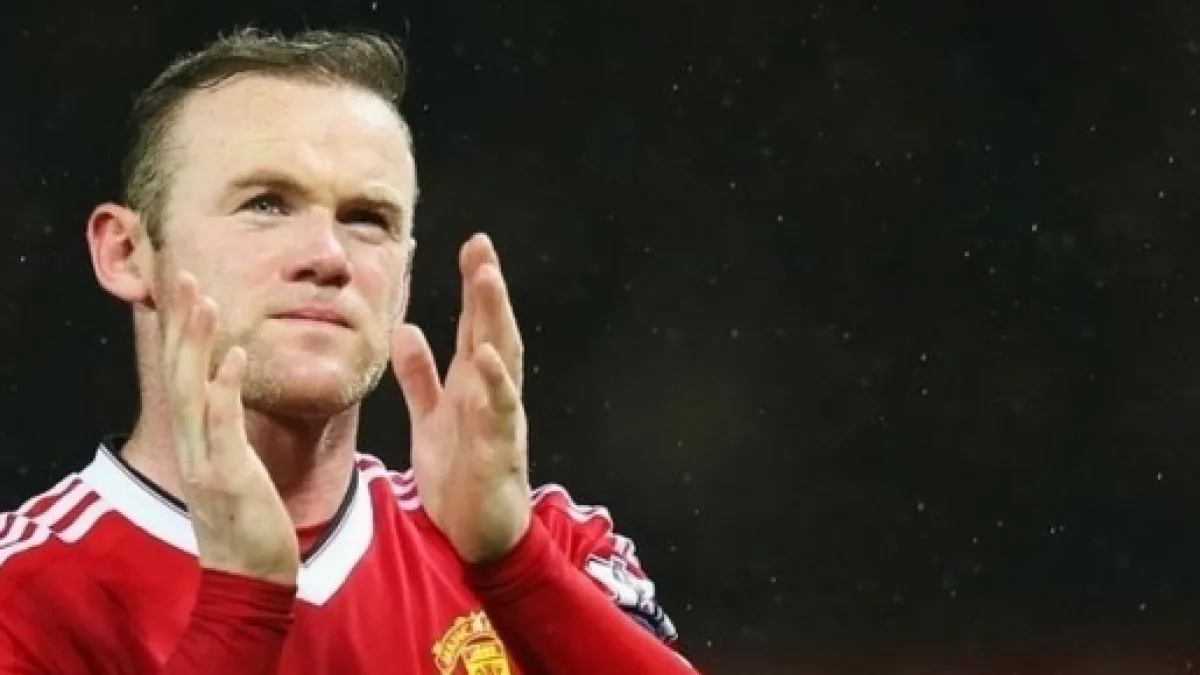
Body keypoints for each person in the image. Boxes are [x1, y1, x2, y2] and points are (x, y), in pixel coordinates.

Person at [0, 27, 694, 674]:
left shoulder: (545, 542)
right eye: (266, 203)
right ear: (126, 253)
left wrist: (514, 567)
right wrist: (242, 605)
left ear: (405, 276)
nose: (328, 257)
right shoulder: (26, 598)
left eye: (367, 219)